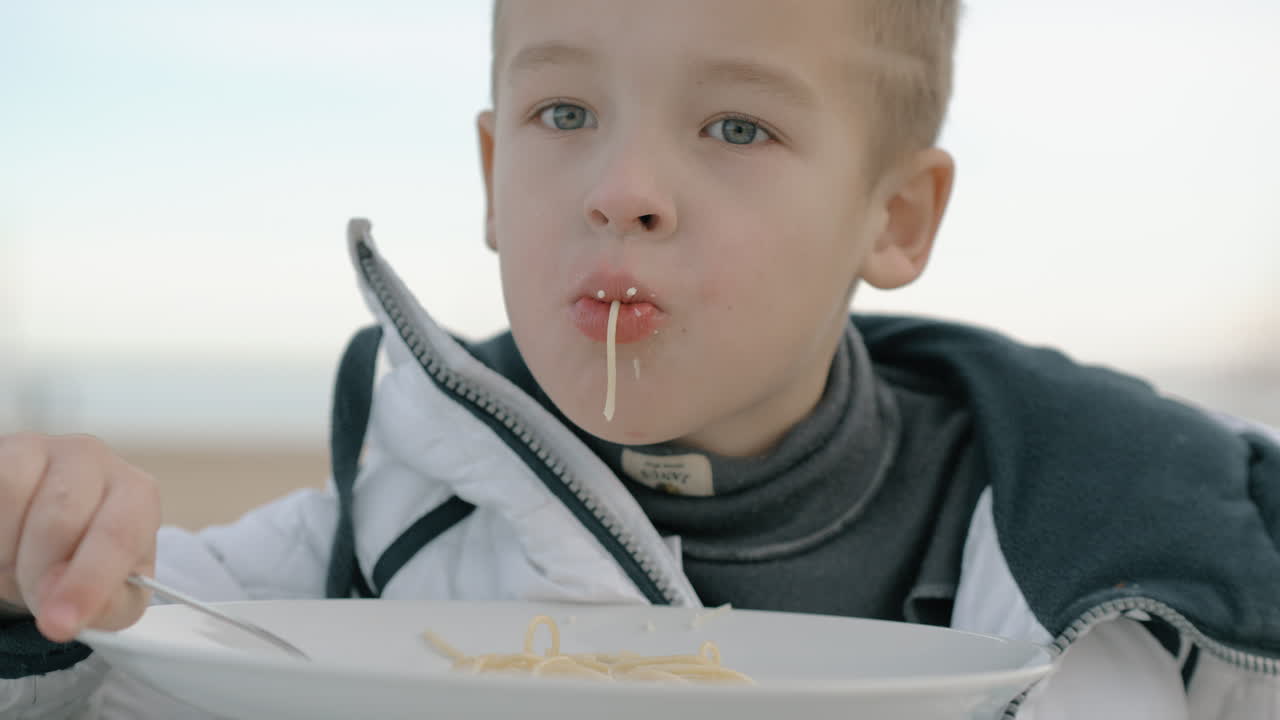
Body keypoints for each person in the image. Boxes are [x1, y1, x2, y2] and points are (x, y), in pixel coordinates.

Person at [2, 1, 1277, 717]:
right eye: (564, 114)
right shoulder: (395, 511)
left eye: (736, 124)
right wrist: (33, 560)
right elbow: (110, 666)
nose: (621, 191)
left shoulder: (1146, 550)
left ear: (892, 218)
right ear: (494, 178)